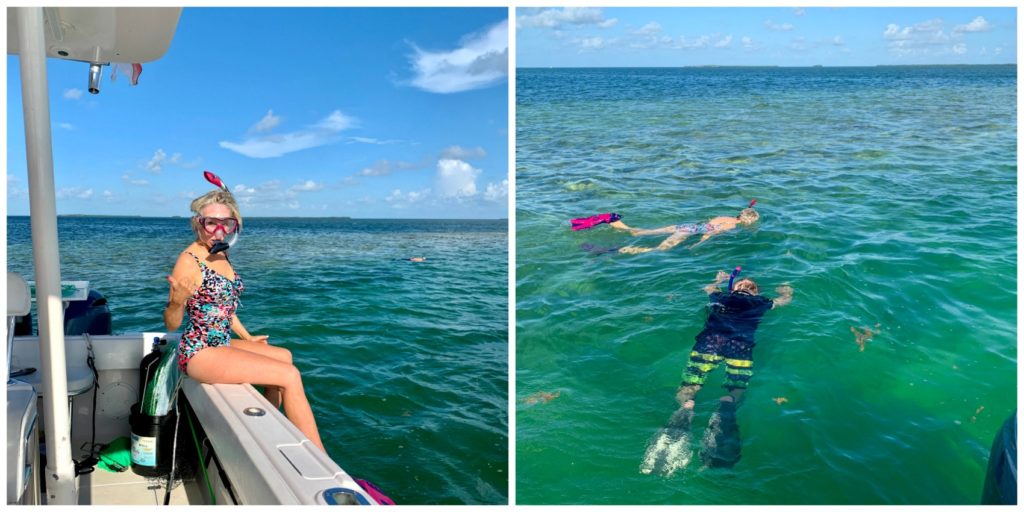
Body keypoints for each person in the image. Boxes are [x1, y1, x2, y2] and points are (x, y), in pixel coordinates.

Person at [164, 181, 326, 452]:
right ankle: (323, 458)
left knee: (284, 355)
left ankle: (268, 427)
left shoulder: (220, 252)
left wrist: (247, 337)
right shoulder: (189, 261)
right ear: (197, 223)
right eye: (211, 223)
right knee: (289, 375)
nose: (218, 231)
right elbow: (171, 324)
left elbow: (224, 306)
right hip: (199, 351)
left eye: (226, 224)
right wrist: (176, 302)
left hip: (222, 341)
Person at [641, 270, 792, 476]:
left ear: (735, 288)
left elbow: (708, 289)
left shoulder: (721, 296)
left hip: (710, 341)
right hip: (740, 345)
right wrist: (786, 291)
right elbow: (784, 301)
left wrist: (717, 280)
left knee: (689, 387)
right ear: (755, 293)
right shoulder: (761, 302)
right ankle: (724, 408)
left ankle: (685, 410)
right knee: (735, 391)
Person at [612, 206, 760, 254]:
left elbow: (709, 224)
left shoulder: (725, 217)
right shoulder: (731, 226)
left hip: (688, 226)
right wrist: (697, 244)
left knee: (645, 232)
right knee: (659, 249)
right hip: (689, 232)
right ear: (748, 221)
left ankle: (625, 227)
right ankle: (629, 249)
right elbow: (710, 232)